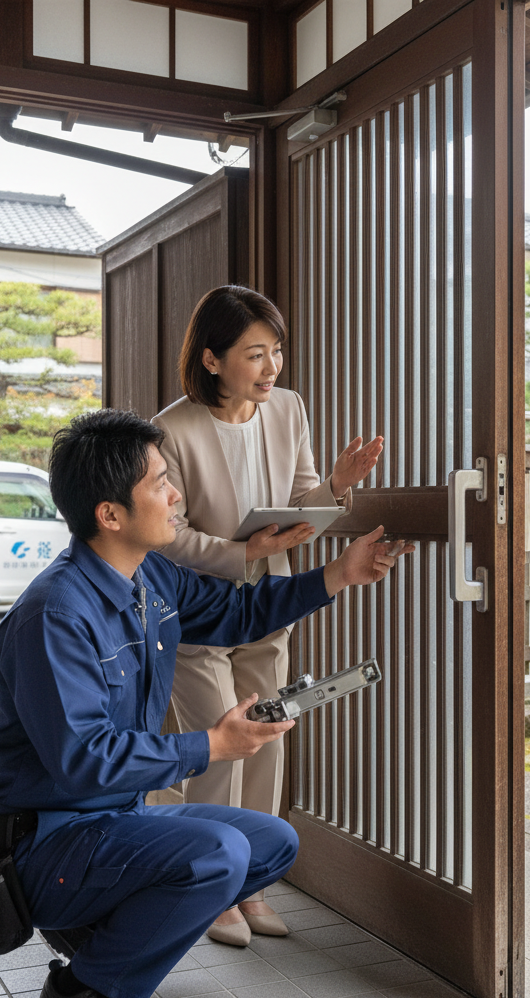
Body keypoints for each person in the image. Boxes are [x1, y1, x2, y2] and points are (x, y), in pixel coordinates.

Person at [0, 408, 411, 998]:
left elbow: (238, 613)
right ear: (111, 514)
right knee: (218, 854)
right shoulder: (56, 616)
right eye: (158, 483)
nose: (175, 495)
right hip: (43, 842)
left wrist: (341, 573)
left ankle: (99, 943)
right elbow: (83, 762)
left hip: (111, 820)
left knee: (271, 842)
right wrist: (212, 746)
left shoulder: (150, 577)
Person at [152, 285, 384, 945]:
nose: (272, 367)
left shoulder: (288, 408)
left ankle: (252, 883)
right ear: (213, 358)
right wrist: (239, 549)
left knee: (264, 739)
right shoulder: (171, 428)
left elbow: (299, 495)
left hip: (268, 602)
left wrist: (336, 487)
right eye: (256, 354)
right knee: (218, 748)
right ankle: (211, 886)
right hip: (201, 609)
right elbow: (167, 534)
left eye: (276, 352)